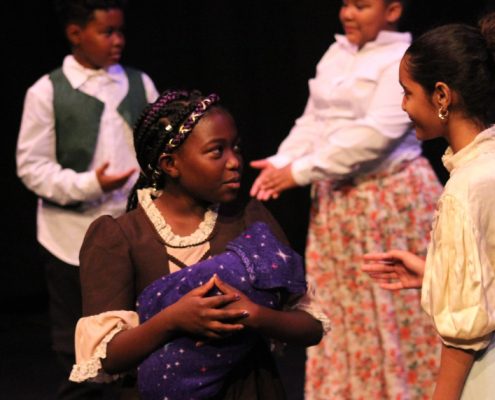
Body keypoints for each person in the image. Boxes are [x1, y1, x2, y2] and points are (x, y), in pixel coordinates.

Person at [68, 89, 328, 400]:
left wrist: (257, 316)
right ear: (170, 164)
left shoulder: (251, 221)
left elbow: (311, 326)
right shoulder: (120, 237)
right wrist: (172, 319)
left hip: (250, 389)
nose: (234, 162)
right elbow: (107, 355)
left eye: (236, 148)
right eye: (217, 151)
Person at [362, 9, 495, 400]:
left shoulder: (465, 188)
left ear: (441, 95)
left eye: (407, 92)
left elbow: (466, 332)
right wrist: (435, 274)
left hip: (494, 374)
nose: (403, 106)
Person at [248, 0, 441, 398]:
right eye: (345, 4)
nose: (348, 14)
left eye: (362, 5)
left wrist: (299, 172)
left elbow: (373, 138)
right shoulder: (336, 53)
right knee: (346, 314)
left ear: (392, 10)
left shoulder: (404, 59)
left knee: (395, 309)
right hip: (338, 207)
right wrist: (283, 159)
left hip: (387, 201)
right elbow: (314, 120)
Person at [15, 0, 158, 398]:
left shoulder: (138, 83)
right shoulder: (47, 91)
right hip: (70, 238)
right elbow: (32, 167)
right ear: (76, 34)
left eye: (120, 31)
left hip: (132, 232)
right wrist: (90, 184)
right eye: (106, 32)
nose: (118, 41)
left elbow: (156, 145)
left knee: (135, 335)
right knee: (79, 350)